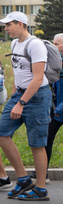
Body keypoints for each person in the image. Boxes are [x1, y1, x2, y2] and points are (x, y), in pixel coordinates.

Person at [0, 12, 53, 201]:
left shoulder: (35, 45)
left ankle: (41, 189)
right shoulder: (14, 43)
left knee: (37, 144)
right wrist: (14, 94)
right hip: (20, 94)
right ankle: (23, 179)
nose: (6, 29)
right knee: (2, 134)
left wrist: (21, 103)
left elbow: (37, 78)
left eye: (9, 25)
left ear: (20, 24)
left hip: (37, 97)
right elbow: (18, 71)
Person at [46, 34, 63, 166]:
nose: (54, 46)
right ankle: (42, 172)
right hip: (55, 110)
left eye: (57, 44)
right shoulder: (55, 61)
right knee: (47, 138)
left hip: (60, 108)